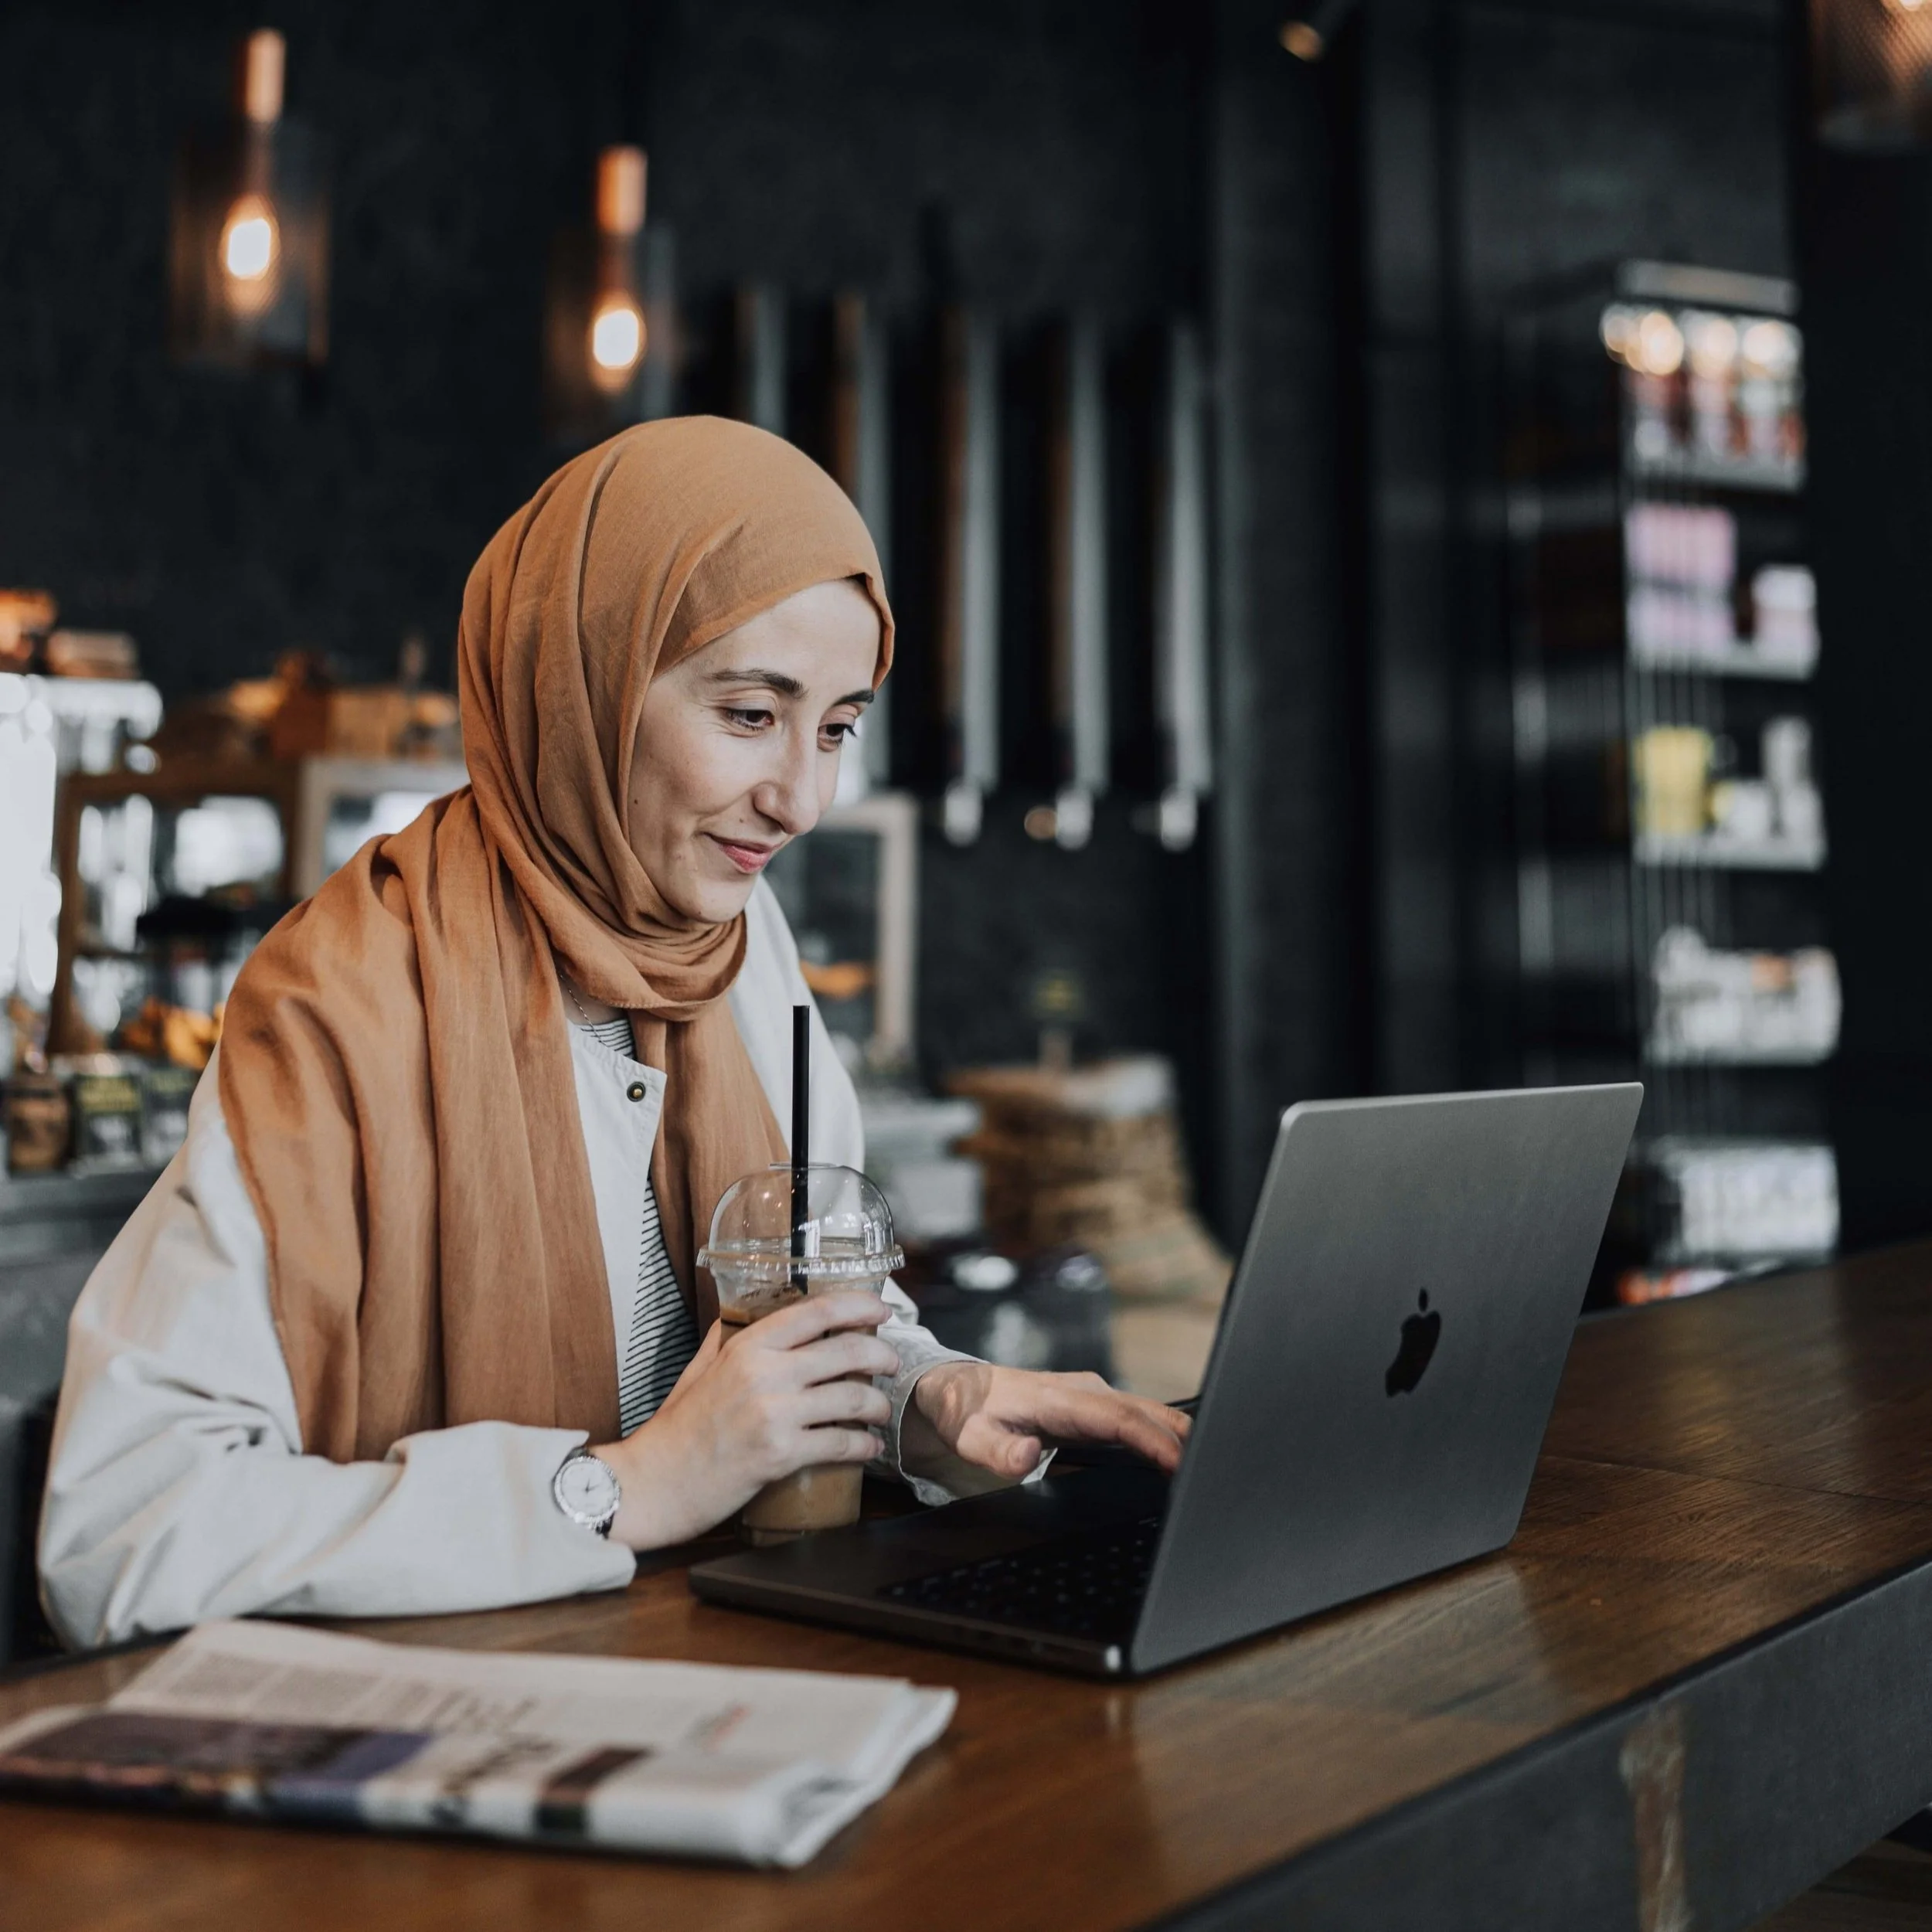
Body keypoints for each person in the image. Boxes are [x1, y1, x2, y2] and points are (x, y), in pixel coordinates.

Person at [39, 418, 1189, 1650]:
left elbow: (788, 1314)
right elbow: (121, 1534)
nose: (801, 799)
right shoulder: (341, 1005)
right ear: (580, 685)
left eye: (839, 727)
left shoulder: (749, 962)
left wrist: (922, 1398)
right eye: (751, 714)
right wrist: (620, 1490)